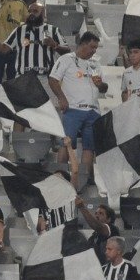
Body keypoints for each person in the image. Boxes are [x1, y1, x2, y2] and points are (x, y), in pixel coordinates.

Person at [48, 32, 108, 180]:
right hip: (74, 108)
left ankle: (83, 180)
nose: (94, 51)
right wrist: (62, 99)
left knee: (89, 147)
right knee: (66, 143)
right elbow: (52, 79)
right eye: (92, 47)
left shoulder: (95, 63)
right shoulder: (66, 59)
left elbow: (104, 88)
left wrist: (101, 85)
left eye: (96, 48)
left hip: (93, 110)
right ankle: (59, 178)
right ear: (83, 44)